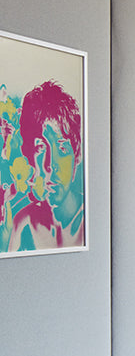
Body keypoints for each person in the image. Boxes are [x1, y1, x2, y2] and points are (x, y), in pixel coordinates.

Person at [7, 80, 84, 252]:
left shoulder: (92, 220)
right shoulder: (24, 224)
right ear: (29, 154)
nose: (50, 165)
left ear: (77, 154)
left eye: (62, 148)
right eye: (41, 148)